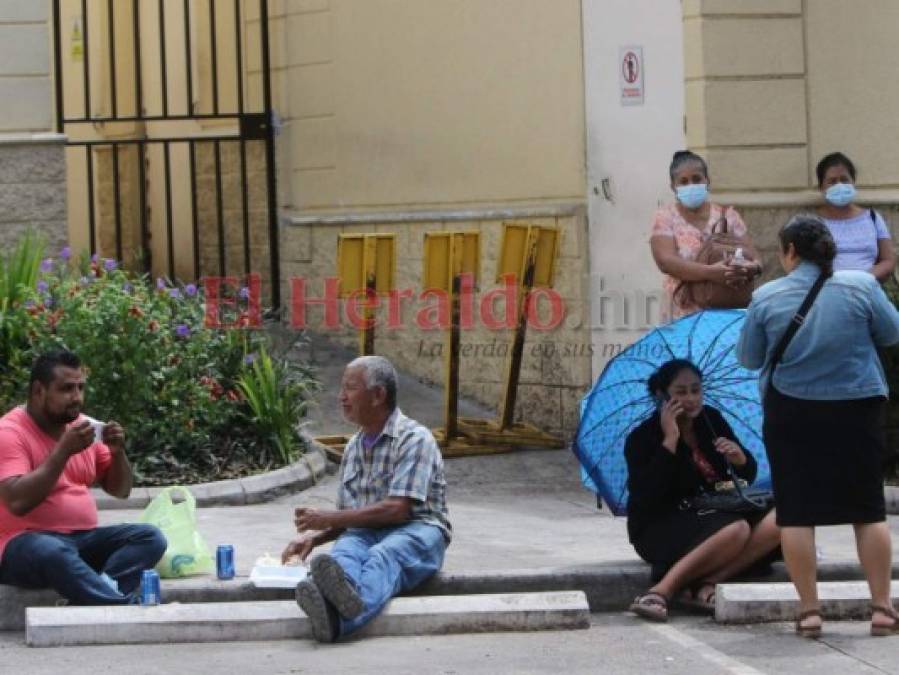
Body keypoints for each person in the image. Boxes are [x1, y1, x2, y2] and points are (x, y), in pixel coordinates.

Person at [737, 215, 899, 638]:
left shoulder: (767, 297)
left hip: (793, 412)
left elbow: (750, 359)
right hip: (857, 407)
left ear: (790, 252)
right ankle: (882, 608)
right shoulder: (862, 286)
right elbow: (892, 333)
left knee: (796, 513)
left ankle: (809, 612)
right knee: (868, 510)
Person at [281, 355, 450, 642]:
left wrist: (328, 517)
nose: (341, 397)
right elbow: (350, 517)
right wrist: (314, 537)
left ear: (378, 395)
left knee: (383, 556)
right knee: (345, 553)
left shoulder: (414, 439)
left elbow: (397, 510)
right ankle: (333, 598)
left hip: (418, 530)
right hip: (366, 532)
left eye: (350, 388)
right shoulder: (354, 447)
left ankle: (335, 618)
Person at [0, 350, 166, 605]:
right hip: (21, 546)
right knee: (52, 550)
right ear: (38, 391)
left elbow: (120, 491)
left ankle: (99, 589)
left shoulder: (85, 427)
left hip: (80, 541)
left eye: (80, 387)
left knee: (150, 537)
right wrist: (63, 451)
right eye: (66, 389)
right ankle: (119, 604)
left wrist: (118, 452)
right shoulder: (9, 433)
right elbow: (18, 502)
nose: (76, 397)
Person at [625, 359, 780, 622]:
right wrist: (670, 440)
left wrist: (739, 459)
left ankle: (707, 583)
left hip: (713, 510)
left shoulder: (711, 420)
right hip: (661, 522)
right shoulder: (642, 437)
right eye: (681, 392)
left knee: (786, 516)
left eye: (696, 390)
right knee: (737, 529)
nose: (691, 399)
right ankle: (661, 591)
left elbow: (746, 475)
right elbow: (647, 494)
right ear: (662, 396)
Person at [650, 150, 763, 319]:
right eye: (684, 182)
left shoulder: (728, 216)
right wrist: (711, 272)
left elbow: (756, 261)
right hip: (683, 313)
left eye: (696, 179)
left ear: (707, 181)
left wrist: (749, 268)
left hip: (725, 312)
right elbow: (665, 262)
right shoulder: (666, 217)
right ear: (673, 187)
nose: (691, 185)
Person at [814, 152, 895, 282]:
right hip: (829, 290)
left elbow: (888, 260)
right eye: (832, 181)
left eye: (844, 180)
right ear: (821, 187)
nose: (839, 185)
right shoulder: (814, 223)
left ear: (853, 182)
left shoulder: (873, 218)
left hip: (867, 288)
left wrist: (864, 278)